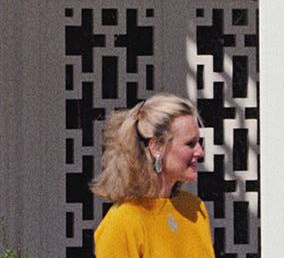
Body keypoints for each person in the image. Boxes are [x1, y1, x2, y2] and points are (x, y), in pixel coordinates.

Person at [91, 92, 214, 258]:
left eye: (199, 142)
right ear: (156, 147)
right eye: (190, 144)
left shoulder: (194, 207)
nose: (200, 151)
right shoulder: (123, 220)